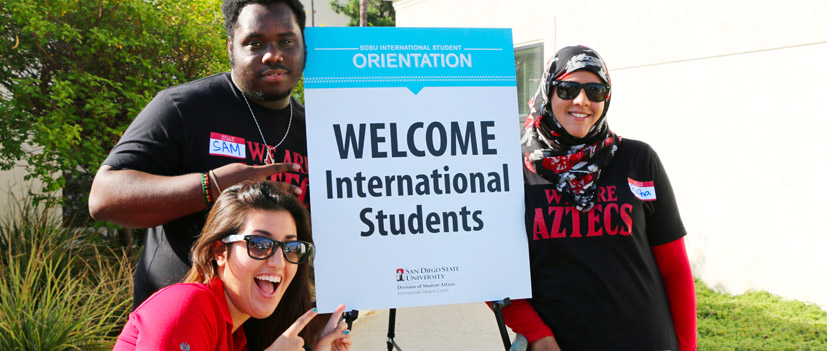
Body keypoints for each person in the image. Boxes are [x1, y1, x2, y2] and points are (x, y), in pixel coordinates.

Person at [501, 45, 697, 351]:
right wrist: (536, 333)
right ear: (548, 92)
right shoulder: (513, 171)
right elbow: (494, 275)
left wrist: (687, 347)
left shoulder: (638, 159)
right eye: (568, 89)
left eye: (595, 90)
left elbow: (674, 267)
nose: (582, 101)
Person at [114, 181, 351, 351]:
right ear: (219, 251)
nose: (279, 262)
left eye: (290, 248)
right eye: (259, 244)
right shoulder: (185, 307)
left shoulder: (236, 337)